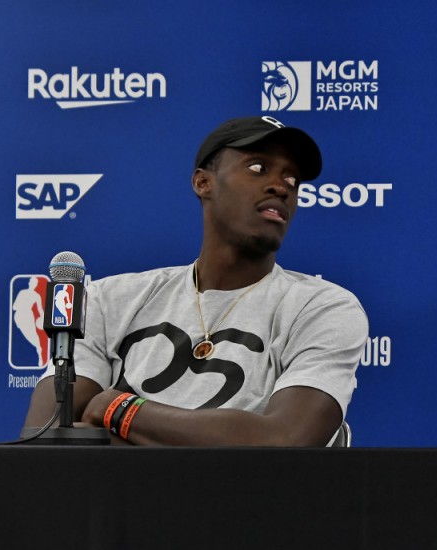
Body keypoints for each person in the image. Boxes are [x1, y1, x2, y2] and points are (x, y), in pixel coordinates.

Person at [23, 115, 368, 446]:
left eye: (292, 180)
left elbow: (285, 441)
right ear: (203, 182)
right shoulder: (110, 300)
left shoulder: (322, 307)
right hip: (121, 507)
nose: (280, 187)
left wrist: (117, 409)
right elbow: (47, 440)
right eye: (258, 168)